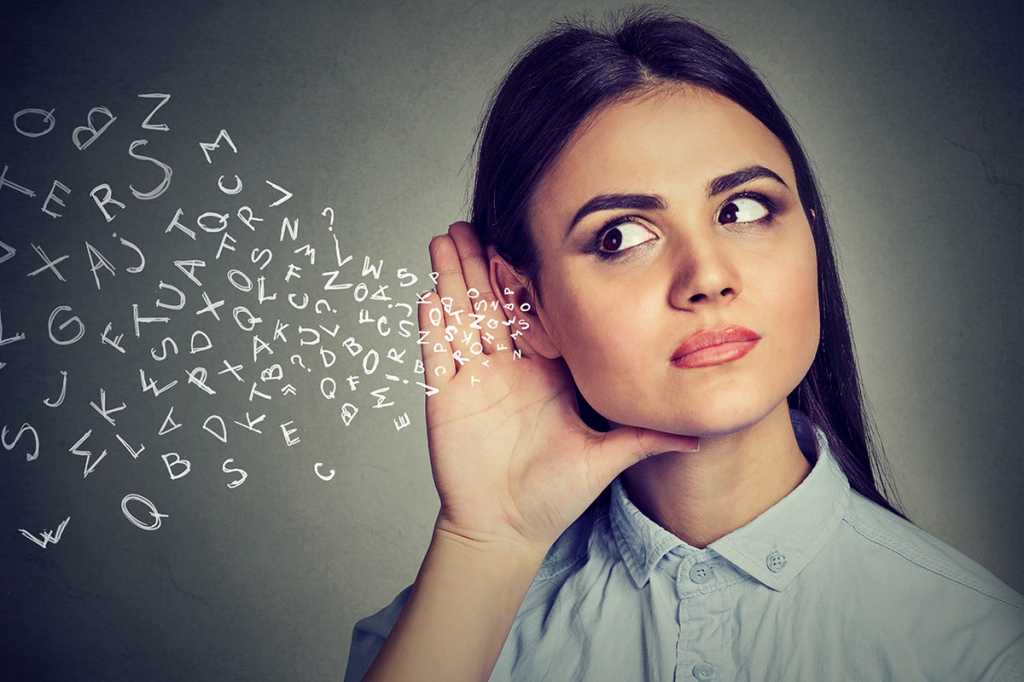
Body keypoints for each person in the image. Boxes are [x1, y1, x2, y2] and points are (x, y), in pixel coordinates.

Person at [345, 7, 1024, 681]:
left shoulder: (981, 650)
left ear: (810, 239)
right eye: (621, 237)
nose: (707, 279)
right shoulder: (440, 634)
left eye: (744, 210)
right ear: (527, 305)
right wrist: (491, 540)